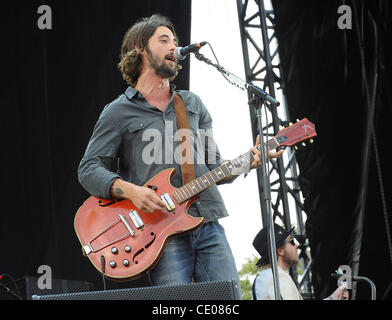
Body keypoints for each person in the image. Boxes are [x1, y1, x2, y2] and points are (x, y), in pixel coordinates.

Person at [78, 14, 284, 287]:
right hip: (160, 232)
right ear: (140, 48)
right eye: (164, 40)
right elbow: (89, 169)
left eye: (175, 41)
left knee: (228, 300)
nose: (174, 47)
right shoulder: (117, 112)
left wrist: (250, 161)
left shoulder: (191, 104)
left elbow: (214, 167)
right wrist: (133, 191)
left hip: (208, 222)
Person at [252, 223, 349, 300]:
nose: (296, 245)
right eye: (291, 241)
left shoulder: (262, 279)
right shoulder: (277, 278)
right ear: (280, 251)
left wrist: (333, 297)